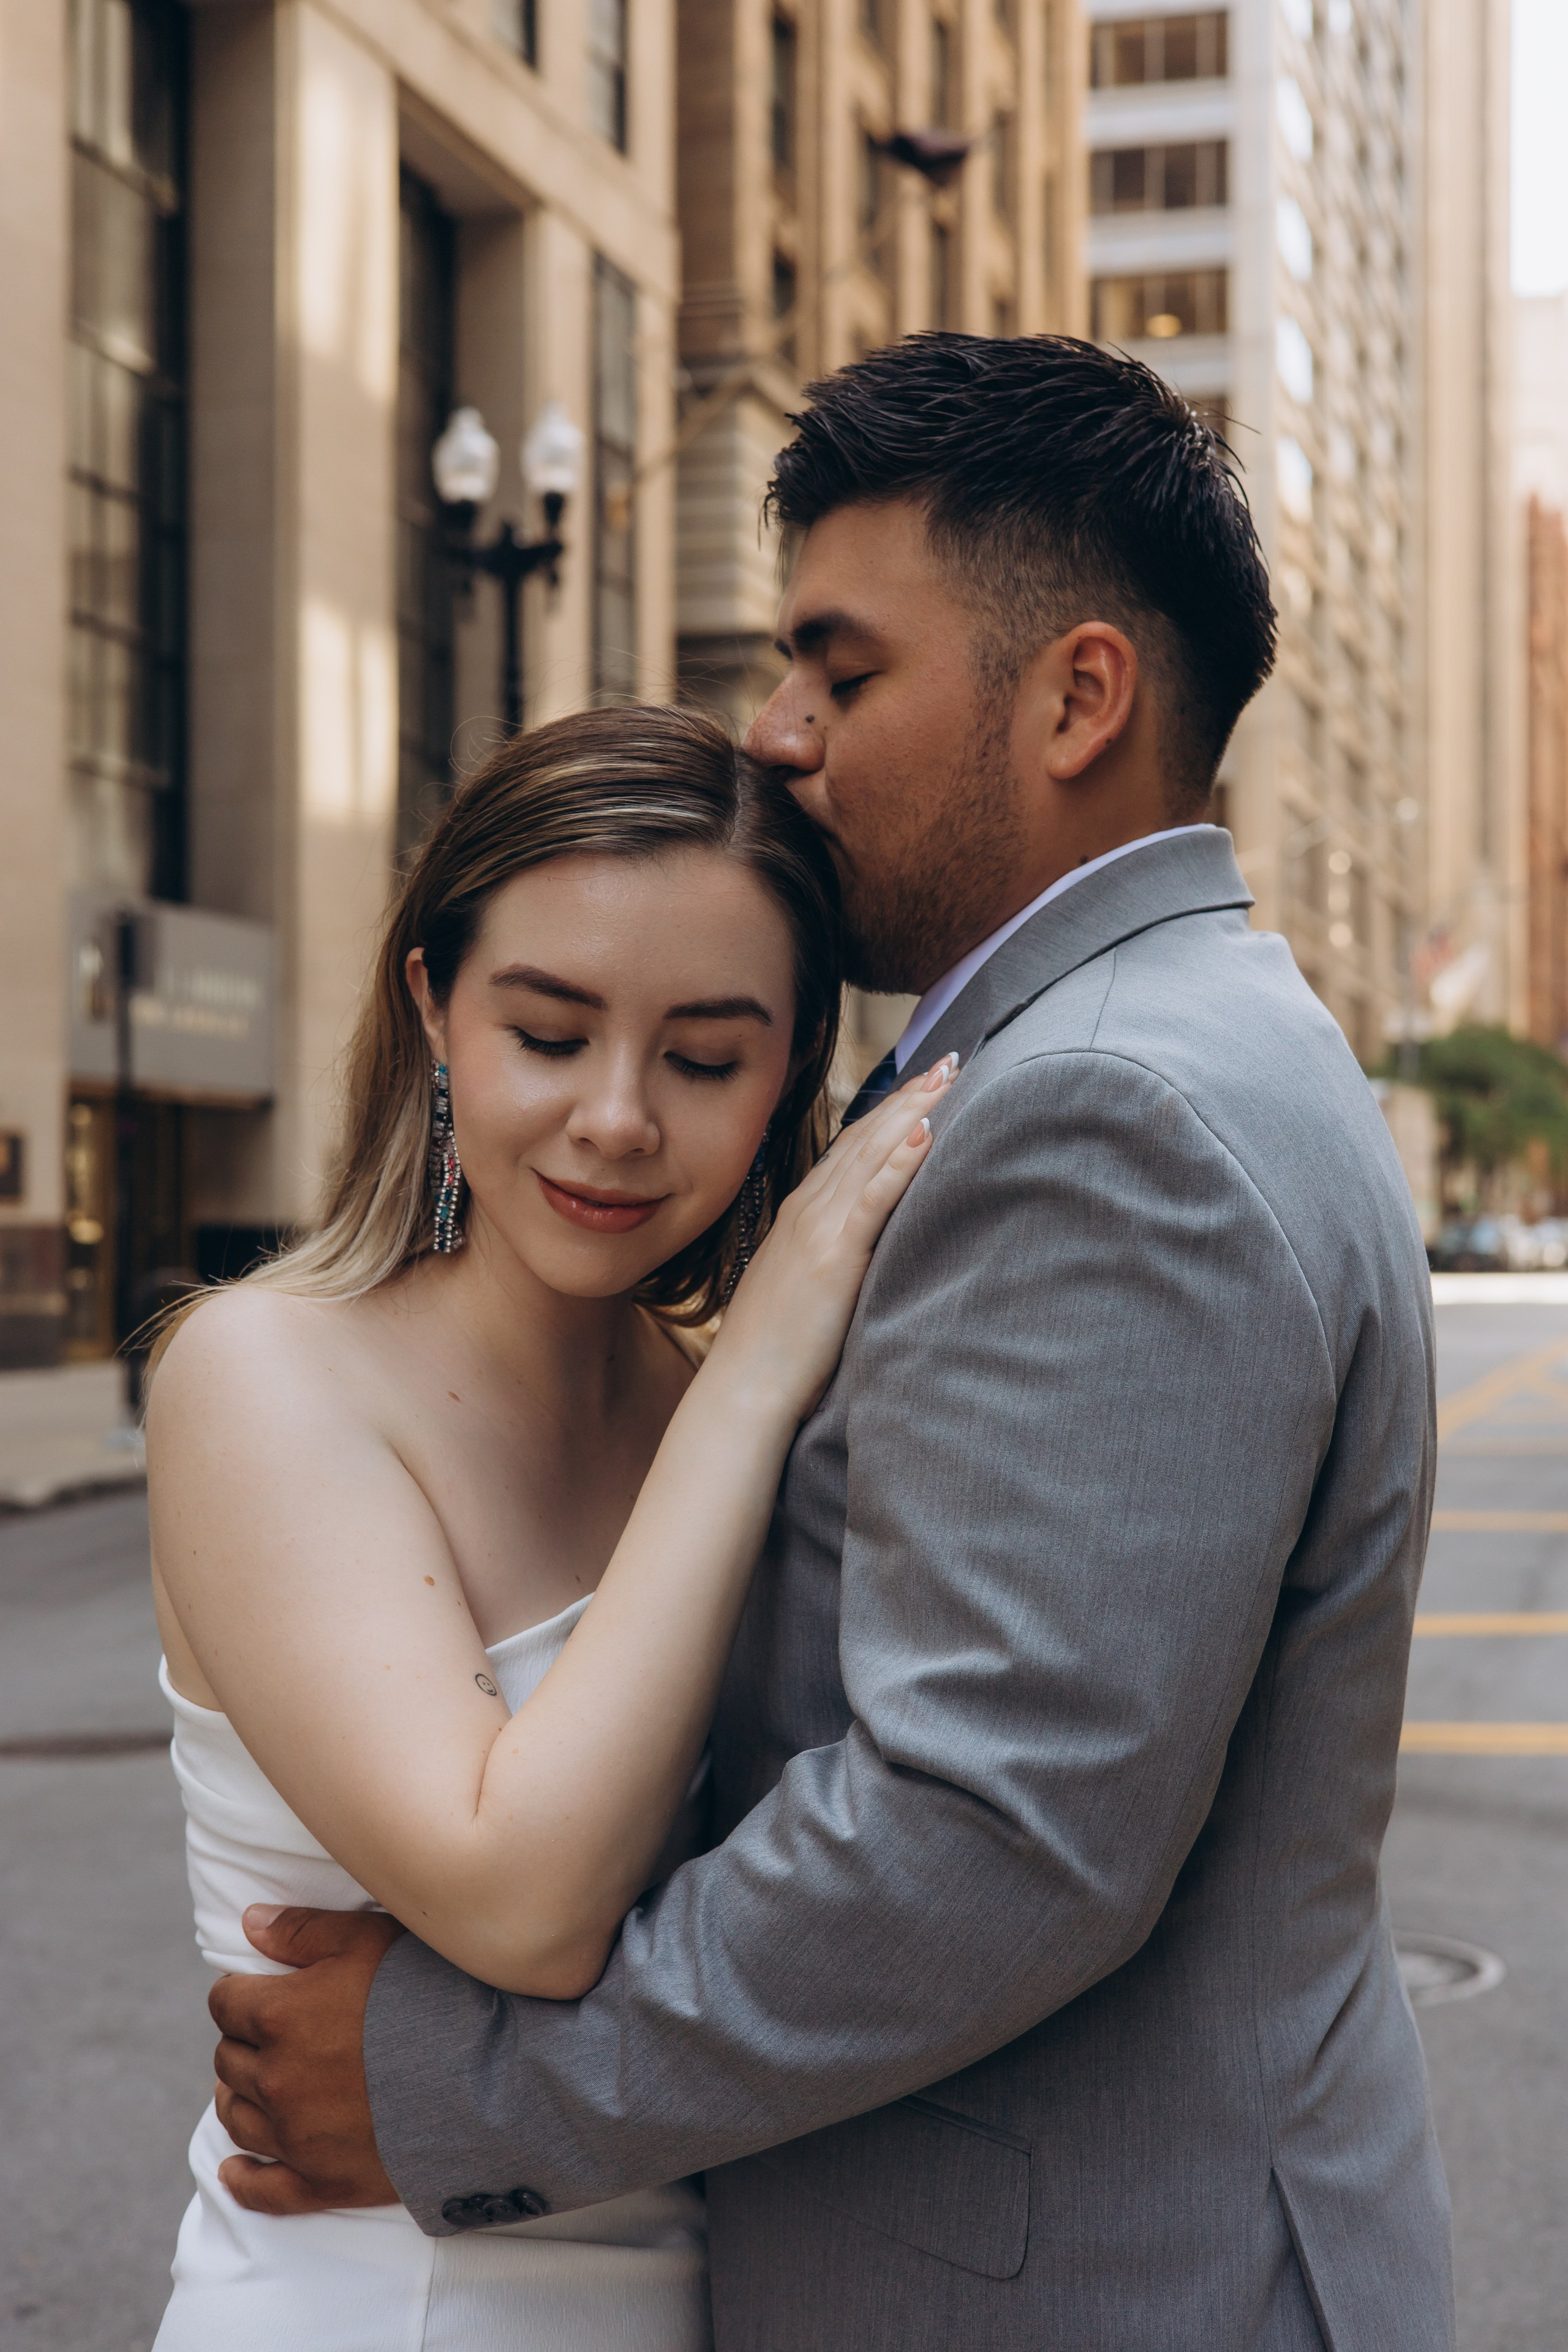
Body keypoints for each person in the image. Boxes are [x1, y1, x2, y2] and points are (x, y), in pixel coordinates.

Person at [205, 336, 1453, 2351]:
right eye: (549, 1031)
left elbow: (992, 1834)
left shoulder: (1107, 1107)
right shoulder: (1160, 1043)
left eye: (843, 670)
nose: (780, 733)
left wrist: (460, 2090)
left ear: (1077, 695)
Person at [145, 701, 954, 2350]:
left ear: (793, 1063)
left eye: (707, 1057)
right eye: (551, 1032)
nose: (619, 1117)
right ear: (436, 1007)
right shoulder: (264, 1376)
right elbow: (523, 1897)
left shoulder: (716, 1407)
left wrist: (737, 1383)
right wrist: (760, 1364)